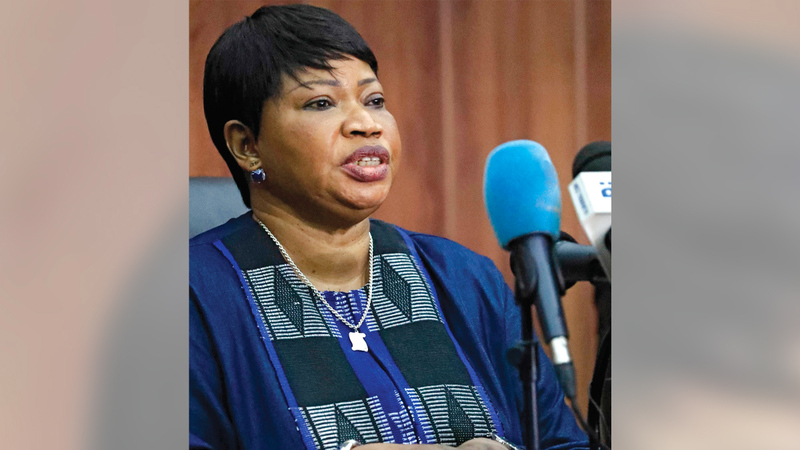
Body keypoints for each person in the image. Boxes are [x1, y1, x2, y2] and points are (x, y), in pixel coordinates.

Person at [190, 4, 589, 450]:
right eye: (321, 103)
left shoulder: (464, 279)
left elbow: (563, 443)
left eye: (374, 101)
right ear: (247, 145)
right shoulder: (192, 296)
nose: (366, 124)